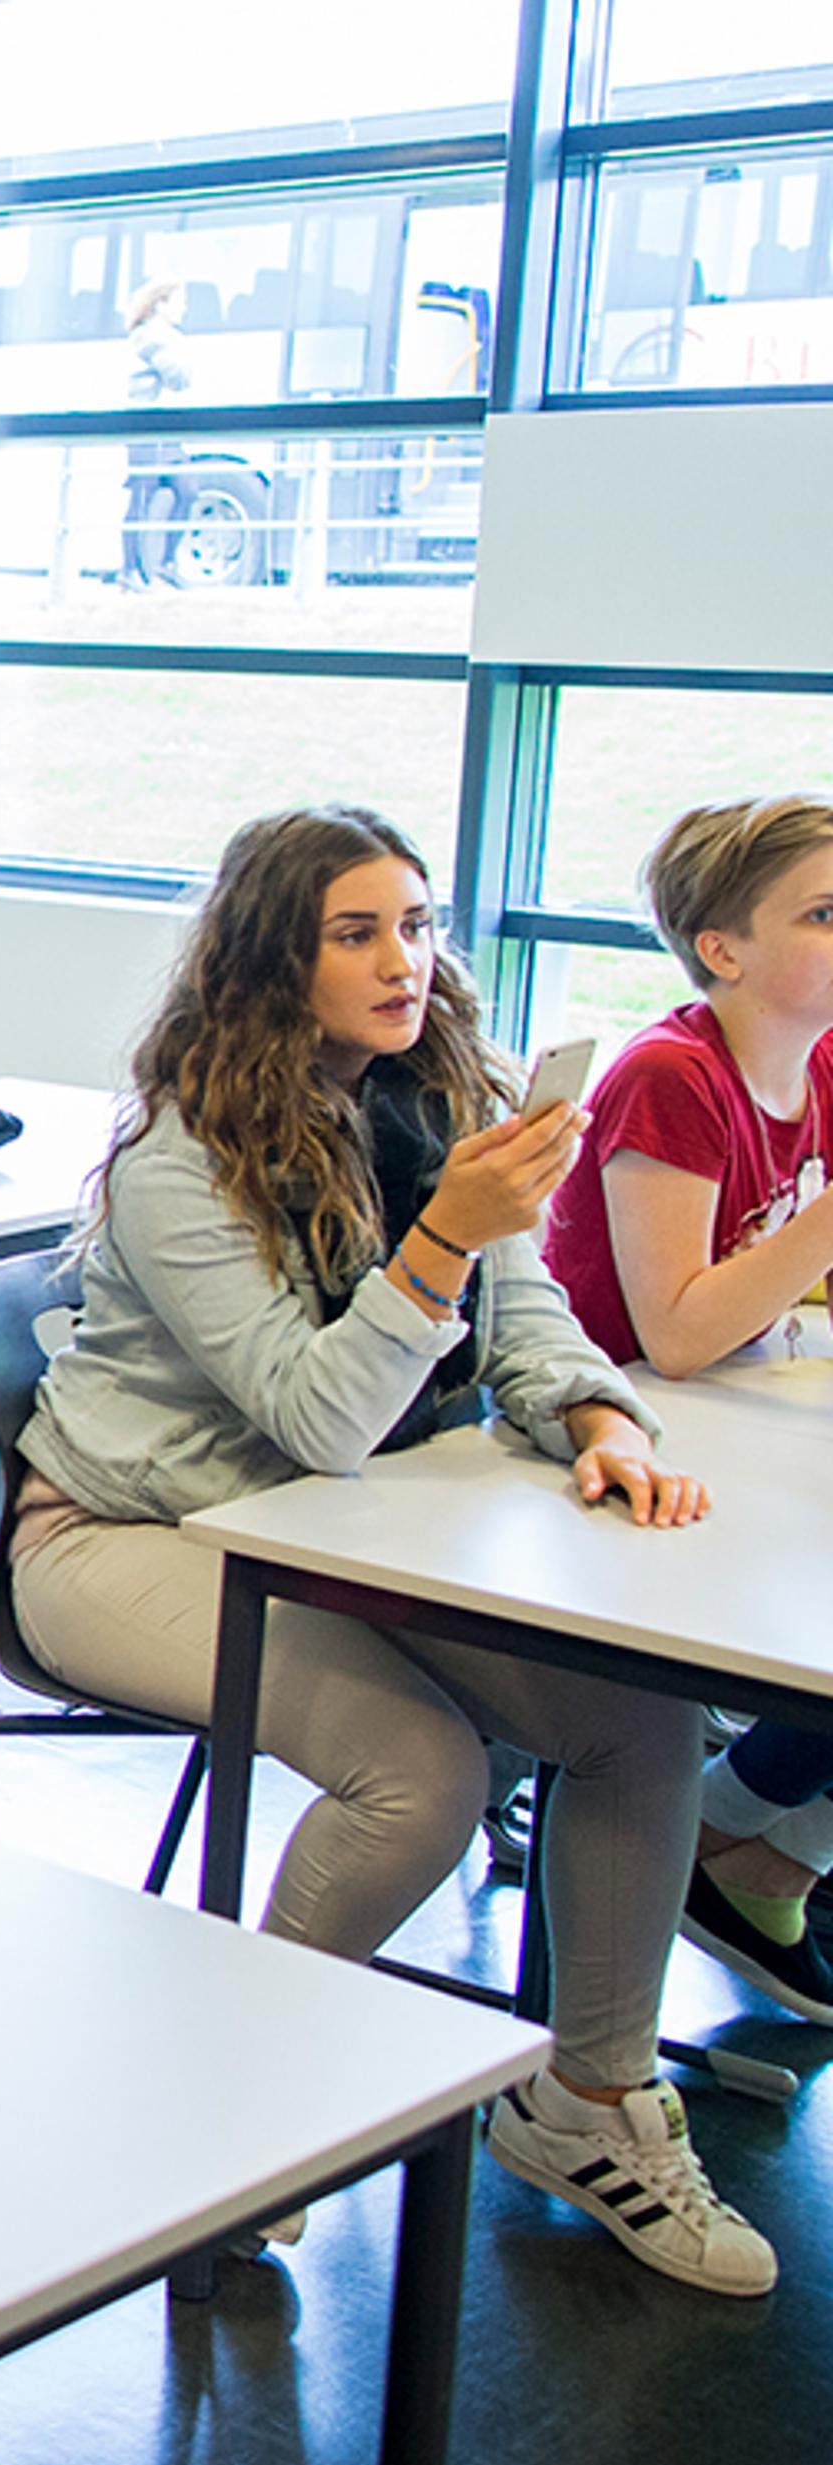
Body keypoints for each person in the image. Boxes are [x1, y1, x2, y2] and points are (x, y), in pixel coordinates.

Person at [9, 803, 770, 2294]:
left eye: (415, 927)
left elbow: (526, 1315)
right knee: (422, 1779)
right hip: (125, 1533)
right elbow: (317, 1420)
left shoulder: (436, 1103)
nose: (401, 961)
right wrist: (442, 1241)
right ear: (268, 960)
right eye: (354, 934)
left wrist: (595, 1418)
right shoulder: (182, 1156)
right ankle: (241, 2126)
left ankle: (589, 2102)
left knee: (638, 1721)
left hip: (335, 1536)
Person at [537, 796, 833, 2021]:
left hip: (725, 1427)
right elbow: (676, 1331)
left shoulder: (819, 1063)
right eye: (824, 913)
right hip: (601, 1450)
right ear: (723, 949)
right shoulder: (672, 1075)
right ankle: (731, 1832)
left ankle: (763, 1852)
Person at [117, 277, 196, 587]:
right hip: (145, 430)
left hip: (167, 431)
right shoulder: (148, 337)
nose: (184, 309)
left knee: (187, 490)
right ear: (160, 304)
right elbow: (178, 377)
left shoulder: (167, 338)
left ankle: (165, 564)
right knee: (142, 496)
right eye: (179, 301)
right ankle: (131, 571)